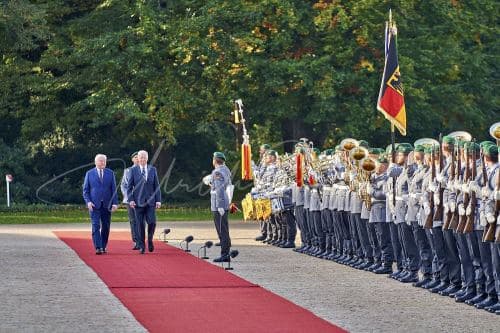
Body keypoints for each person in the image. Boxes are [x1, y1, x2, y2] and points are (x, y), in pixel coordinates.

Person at [127, 150, 161, 254]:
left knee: (152, 222)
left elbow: (157, 186)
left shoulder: (153, 170)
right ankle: (142, 245)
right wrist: (131, 200)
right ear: (138, 158)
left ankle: (150, 239)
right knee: (140, 225)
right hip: (138, 202)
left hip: (151, 202)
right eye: (140, 157)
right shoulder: (133, 171)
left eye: (144, 157)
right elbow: (129, 188)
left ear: (147, 158)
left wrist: (158, 200)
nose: (142, 159)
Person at [82, 154, 118, 255]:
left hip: (107, 205)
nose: (102, 162)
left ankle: (103, 246)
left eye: (104, 161)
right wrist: (88, 201)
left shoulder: (110, 173)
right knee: (96, 225)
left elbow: (113, 189)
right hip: (94, 205)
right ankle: (98, 247)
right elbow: (85, 190)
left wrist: (115, 203)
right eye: (100, 161)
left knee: (106, 226)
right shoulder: (89, 173)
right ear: (95, 162)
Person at [210, 152, 233, 262]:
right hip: (225, 202)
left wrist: (219, 205)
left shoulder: (217, 172)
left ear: (215, 160)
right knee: (224, 228)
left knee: (222, 230)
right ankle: (226, 249)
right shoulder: (226, 170)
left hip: (219, 204)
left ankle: (225, 254)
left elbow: (219, 189)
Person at [121, 151, 139, 250]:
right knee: (133, 221)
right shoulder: (127, 171)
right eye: (135, 157)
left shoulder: (146, 170)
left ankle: (142, 239)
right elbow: (123, 185)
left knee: (141, 220)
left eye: (139, 157)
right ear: (132, 159)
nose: (137, 158)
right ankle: (136, 241)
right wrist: (128, 196)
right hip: (129, 200)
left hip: (142, 200)